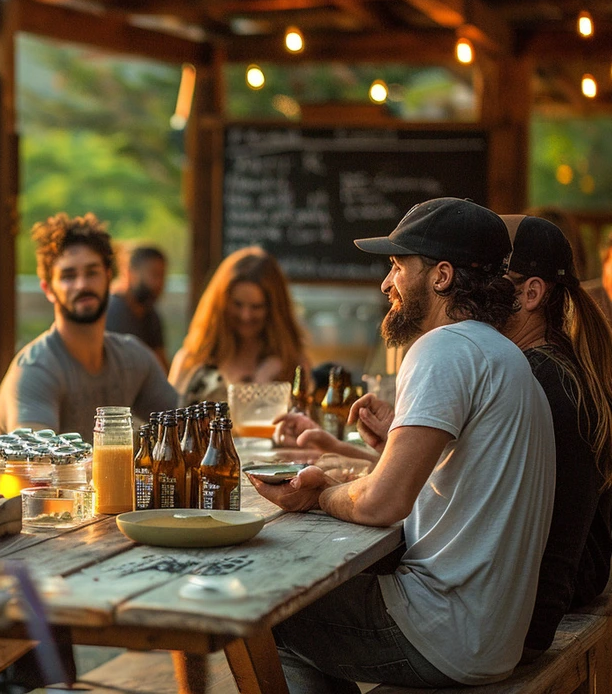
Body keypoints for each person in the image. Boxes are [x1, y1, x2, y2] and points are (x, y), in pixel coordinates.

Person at [251, 198, 555, 691]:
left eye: (397, 266)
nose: (385, 284)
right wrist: (373, 459)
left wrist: (320, 494)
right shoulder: (505, 356)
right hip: (492, 635)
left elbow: (385, 501)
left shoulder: (444, 348)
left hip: (445, 634)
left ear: (441, 277)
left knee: (267, 608)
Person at [500, 214, 612, 658]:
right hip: (579, 577)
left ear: (531, 293)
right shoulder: (556, 358)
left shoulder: (535, 377)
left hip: (555, 598)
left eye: (489, 279)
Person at [0, 213, 177, 440]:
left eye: (92, 272)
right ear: (48, 289)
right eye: (68, 276)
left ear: (109, 278)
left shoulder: (133, 359)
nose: (82, 284)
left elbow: (190, 430)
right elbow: (34, 467)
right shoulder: (36, 369)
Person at [168, 246, 309, 404]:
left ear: (274, 310)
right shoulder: (193, 359)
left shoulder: (291, 364)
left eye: (256, 307)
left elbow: (306, 423)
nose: (245, 315)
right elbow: (168, 417)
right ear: (221, 304)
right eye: (237, 304)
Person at [105, 244, 168, 370]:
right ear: (130, 273)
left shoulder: (150, 314)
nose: (159, 283)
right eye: (154, 274)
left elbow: (161, 364)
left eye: (162, 276)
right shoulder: (112, 311)